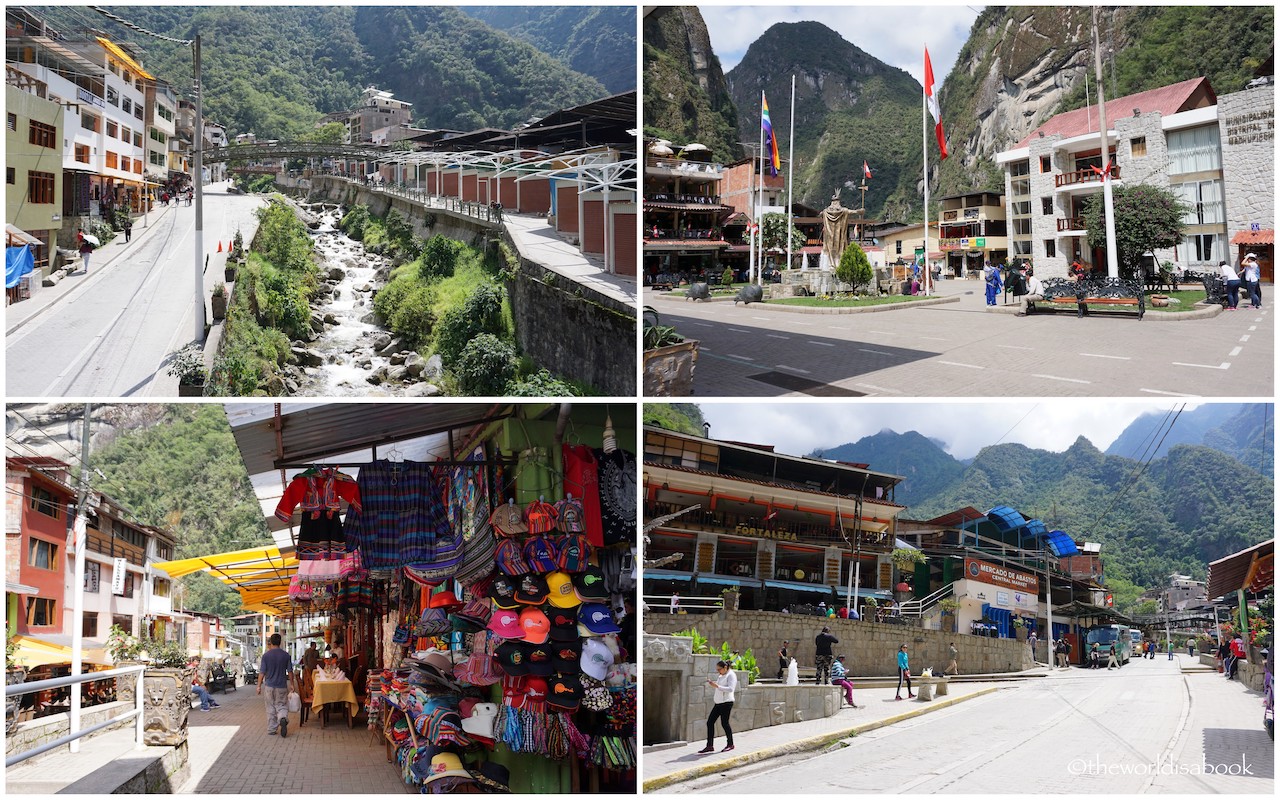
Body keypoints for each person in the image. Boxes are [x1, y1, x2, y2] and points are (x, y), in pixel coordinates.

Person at [257, 632, 294, 737]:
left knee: (270, 707)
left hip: (269, 686)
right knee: (281, 705)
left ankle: (272, 729)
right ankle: (282, 718)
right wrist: (292, 684)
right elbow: (290, 671)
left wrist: (259, 686)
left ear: (270, 642)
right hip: (281, 685)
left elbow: (262, 672)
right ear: (280, 642)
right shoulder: (286, 655)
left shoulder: (266, 656)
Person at [697, 660, 736, 754]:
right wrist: (713, 684)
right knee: (710, 722)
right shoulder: (721, 675)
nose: (718, 671)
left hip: (726, 702)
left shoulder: (731, 675)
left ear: (725, 668)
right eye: (717, 669)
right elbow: (719, 687)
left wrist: (717, 686)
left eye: (719, 669)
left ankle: (730, 744)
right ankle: (709, 745)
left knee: (724, 723)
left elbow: (731, 689)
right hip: (718, 702)